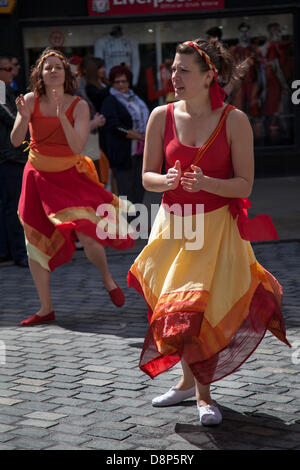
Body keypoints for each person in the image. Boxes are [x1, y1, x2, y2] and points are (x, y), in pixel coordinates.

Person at [127, 38, 290, 426]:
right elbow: (146, 178)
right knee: (177, 311)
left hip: (217, 230)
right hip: (171, 228)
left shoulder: (234, 120)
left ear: (209, 76)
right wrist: (164, 181)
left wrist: (209, 185)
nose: (174, 76)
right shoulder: (159, 116)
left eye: (184, 70)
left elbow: (245, 184)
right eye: (173, 69)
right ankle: (187, 384)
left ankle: (203, 397)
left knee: (198, 311)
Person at [10, 48, 135, 327]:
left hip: (69, 177)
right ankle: (46, 308)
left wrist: (60, 114)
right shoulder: (30, 100)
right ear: (39, 74)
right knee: (34, 242)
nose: (53, 71)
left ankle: (107, 279)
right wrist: (22, 116)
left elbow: (78, 146)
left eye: (58, 67)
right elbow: (15, 140)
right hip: (37, 178)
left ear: (66, 74)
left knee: (88, 235)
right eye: (47, 68)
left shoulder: (78, 105)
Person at [101, 65, 149, 204]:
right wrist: (139, 136)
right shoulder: (110, 101)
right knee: (126, 195)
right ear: (112, 83)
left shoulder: (135, 98)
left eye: (124, 81)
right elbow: (114, 126)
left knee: (140, 190)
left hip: (141, 152)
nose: (121, 85)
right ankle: (128, 224)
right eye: (117, 82)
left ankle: (138, 224)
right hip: (123, 155)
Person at [0, 55, 28, 268]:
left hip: (12, 156)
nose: (12, 71)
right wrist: (25, 118)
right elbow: (10, 116)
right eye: (7, 68)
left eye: (12, 68)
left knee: (8, 206)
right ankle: (18, 253)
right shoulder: (0, 88)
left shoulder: (7, 88)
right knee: (13, 206)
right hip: (8, 156)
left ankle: (8, 251)